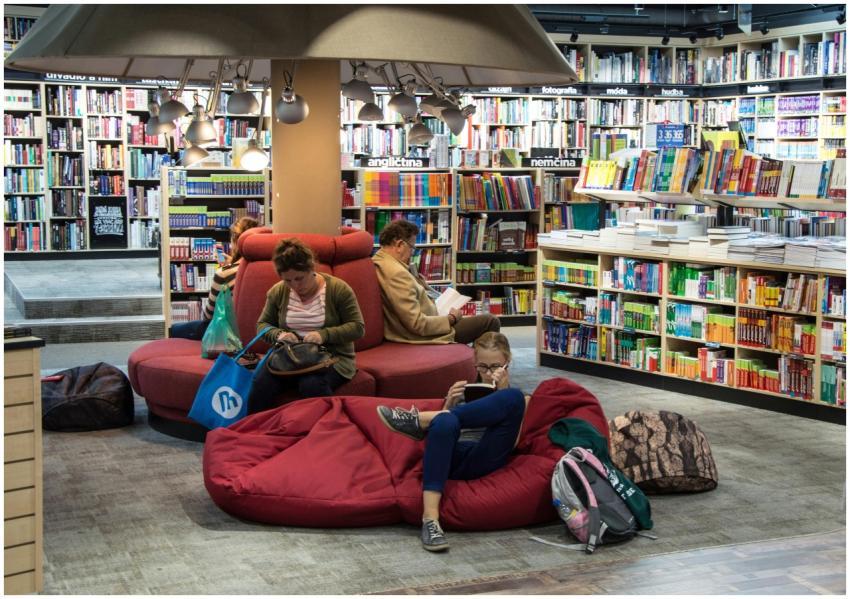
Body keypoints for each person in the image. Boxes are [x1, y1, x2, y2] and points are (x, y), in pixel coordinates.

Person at [376, 332, 528, 552]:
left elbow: (512, 444)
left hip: (485, 454)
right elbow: (441, 439)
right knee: (446, 420)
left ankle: (419, 420)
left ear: (507, 362)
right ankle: (430, 521)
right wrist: (448, 405)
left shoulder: (518, 399)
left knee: (513, 397)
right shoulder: (465, 392)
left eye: (495, 366)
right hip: (454, 457)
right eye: (482, 367)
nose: (488, 373)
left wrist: (502, 391)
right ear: (475, 363)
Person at [247, 238, 365, 413]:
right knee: (260, 385)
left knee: (311, 385)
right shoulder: (278, 291)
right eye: (288, 280)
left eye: (299, 278)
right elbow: (262, 325)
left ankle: (324, 428)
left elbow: (358, 327)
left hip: (330, 357)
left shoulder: (338, 289)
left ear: (312, 269)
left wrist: (323, 335)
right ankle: (254, 427)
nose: (295, 286)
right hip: (288, 356)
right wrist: (279, 335)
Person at [372, 220, 500, 344]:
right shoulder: (397, 273)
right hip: (427, 334)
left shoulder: (381, 260)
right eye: (412, 248)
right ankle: (484, 358)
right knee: (490, 321)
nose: (412, 254)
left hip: (432, 320)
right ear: (400, 245)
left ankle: (478, 356)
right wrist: (451, 319)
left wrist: (420, 282)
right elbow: (417, 324)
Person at [169, 216, 260, 340]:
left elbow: (208, 316)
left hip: (229, 333)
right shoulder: (266, 268)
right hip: (257, 331)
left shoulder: (224, 274)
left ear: (235, 241)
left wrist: (227, 268)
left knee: (174, 329)